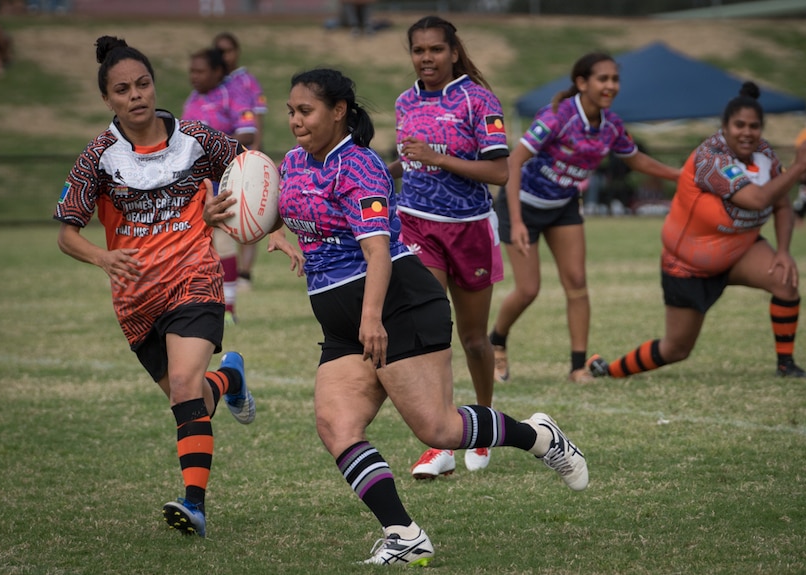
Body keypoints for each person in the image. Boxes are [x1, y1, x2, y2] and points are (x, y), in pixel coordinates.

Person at [204, 67, 589, 565]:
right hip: (344, 320)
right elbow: (282, 211)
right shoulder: (295, 162)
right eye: (291, 112)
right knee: (336, 424)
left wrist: (372, 318)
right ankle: (404, 534)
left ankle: (540, 437)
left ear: (338, 111)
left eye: (306, 111)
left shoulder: (359, 165)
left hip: (395, 305)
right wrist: (242, 218)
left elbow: (380, 252)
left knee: (440, 431)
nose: (295, 121)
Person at [53, 35, 259, 538]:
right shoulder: (98, 159)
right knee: (190, 402)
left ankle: (195, 506)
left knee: (186, 389)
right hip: (136, 300)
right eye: (122, 90)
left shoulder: (196, 139)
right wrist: (103, 257)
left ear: (154, 85)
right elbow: (66, 234)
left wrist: (259, 222)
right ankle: (229, 379)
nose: (136, 95)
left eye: (143, 84)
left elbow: (252, 172)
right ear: (108, 100)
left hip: (194, 279)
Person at [586, 82, 806, 382]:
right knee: (676, 349)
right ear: (724, 127)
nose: (746, 132)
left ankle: (786, 366)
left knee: (785, 282)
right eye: (739, 125)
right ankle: (609, 371)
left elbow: (781, 205)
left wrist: (784, 251)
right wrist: (800, 166)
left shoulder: (766, 155)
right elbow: (757, 199)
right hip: (689, 267)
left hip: (739, 252)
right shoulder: (711, 157)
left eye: (754, 126)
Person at [489, 52, 681, 386]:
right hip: (522, 203)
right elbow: (514, 162)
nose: (610, 86)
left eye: (614, 79)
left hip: (563, 205)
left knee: (577, 283)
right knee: (528, 290)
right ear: (582, 83)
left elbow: (637, 161)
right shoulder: (556, 116)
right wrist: (517, 221)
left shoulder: (611, 126)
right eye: (602, 79)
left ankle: (578, 367)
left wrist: (680, 175)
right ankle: (497, 341)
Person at [386, 15, 509, 477]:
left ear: (453, 52)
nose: (427, 58)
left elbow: (500, 172)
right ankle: (442, 442)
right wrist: (379, 172)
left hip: (471, 229)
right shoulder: (404, 103)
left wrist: (440, 157)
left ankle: (483, 423)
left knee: (474, 339)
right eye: (419, 51)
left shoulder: (479, 100)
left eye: (436, 50)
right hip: (417, 225)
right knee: (432, 329)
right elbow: (409, 161)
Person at [181, 46, 256, 325]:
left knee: (223, 244)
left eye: (200, 71)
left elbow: (248, 130)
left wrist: (216, 147)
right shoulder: (192, 99)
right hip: (193, 186)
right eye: (191, 71)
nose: (194, 76)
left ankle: (228, 311)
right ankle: (198, 303)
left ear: (216, 71)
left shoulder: (232, 95)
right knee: (196, 245)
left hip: (224, 182)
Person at [213, 31, 269, 292]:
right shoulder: (212, 82)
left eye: (227, 50)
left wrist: (252, 155)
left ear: (237, 52)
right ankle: (224, 273)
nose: (224, 56)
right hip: (218, 163)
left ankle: (245, 273)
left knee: (250, 212)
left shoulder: (247, 82)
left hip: (245, 157)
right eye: (219, 51)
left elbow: (256, 123)